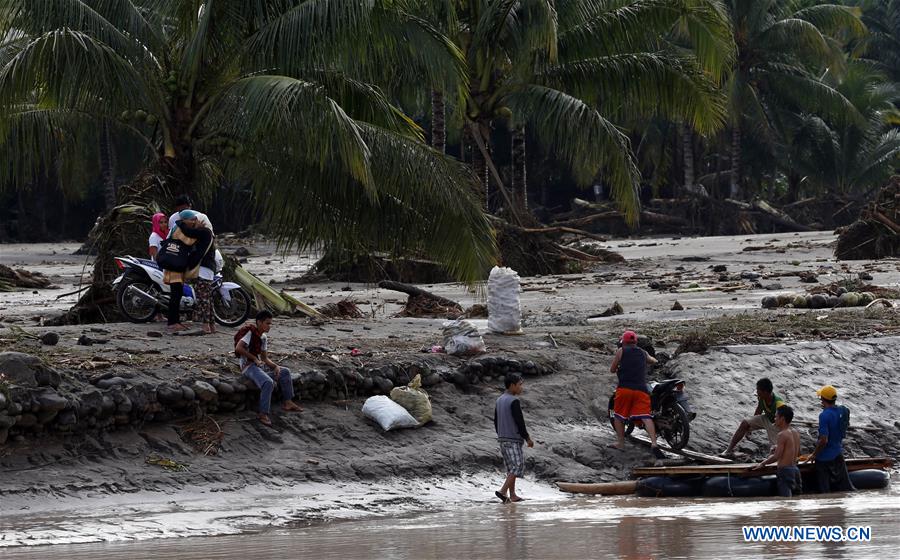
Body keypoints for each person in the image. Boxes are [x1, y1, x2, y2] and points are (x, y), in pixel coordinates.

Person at [234, 310, 302, 426]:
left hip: (258, 366)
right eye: (267, 323)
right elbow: (238, 348)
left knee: (285, 372)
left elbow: (264, 358)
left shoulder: (263, 337)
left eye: (270, 323)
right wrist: (254, 359)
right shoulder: (250, 333)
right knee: (268, 382)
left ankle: (288, 402)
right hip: (248, 367)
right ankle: (263, 413)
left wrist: (275, 366)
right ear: (259, 322)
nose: (269, 326)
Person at [609, 330, 664, 459]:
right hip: (641, 390)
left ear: (623, 342)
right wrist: (653, 361)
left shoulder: (621, 351)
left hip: (624, 389)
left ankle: (620, 444)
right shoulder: (643, 352)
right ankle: (654, 444)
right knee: (646, 416)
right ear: (636, 342)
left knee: (618, 416)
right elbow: (654, 361)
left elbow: (612, 369)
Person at [493, 373, 534, 503]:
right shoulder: (513, 401)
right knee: (517, 466)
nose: (521, 388)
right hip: (513, 439)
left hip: (502, 439)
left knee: (511, 468)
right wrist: (527, 438)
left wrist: (500, 434)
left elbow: (496, 420)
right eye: (519, 385)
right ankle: (503, 491)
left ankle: (513, 495)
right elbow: (519, 421)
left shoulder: (499, 400)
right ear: (512, 386)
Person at [174, 210, 217, 334]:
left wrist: (180, 223)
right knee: (207, 299)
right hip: (209, 269)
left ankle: (205, 326)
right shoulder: (209, 234)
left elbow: (189, 232)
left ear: (202, 221)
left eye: (196, 220)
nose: (194, 222)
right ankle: (212, 325)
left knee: (203, 298)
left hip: (204, 269)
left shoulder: (204, 232)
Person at [806, 385, 854, 493]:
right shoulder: (842, 411)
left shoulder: (824, 415)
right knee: (846, 488)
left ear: (823, 399)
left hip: (824, 459)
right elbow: (847, 414)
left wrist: (814, 454)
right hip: (838, 455)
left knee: (825, 491)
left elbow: (824, 440)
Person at [721, 378, 786, 458]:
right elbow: (759, 409)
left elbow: (784, 421)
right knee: (745, 423)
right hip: (766, 418)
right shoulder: (761, 397)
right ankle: (728, 450)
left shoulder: (779, 404)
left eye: (758, 391)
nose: (757, 393)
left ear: (765, 392)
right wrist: (750, 426)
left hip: (776, 424)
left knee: (775, 449)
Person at [752, 406, 802, 497]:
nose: (774, 419)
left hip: (785, 471)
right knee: (796, 500)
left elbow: (776, 456)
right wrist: (778, 446)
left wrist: (763, 463)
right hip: (795, 470)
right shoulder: (795, 432)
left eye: (776, 417)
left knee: (785, 501)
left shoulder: (782, 434)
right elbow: (797, 452)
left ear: (782, 419)